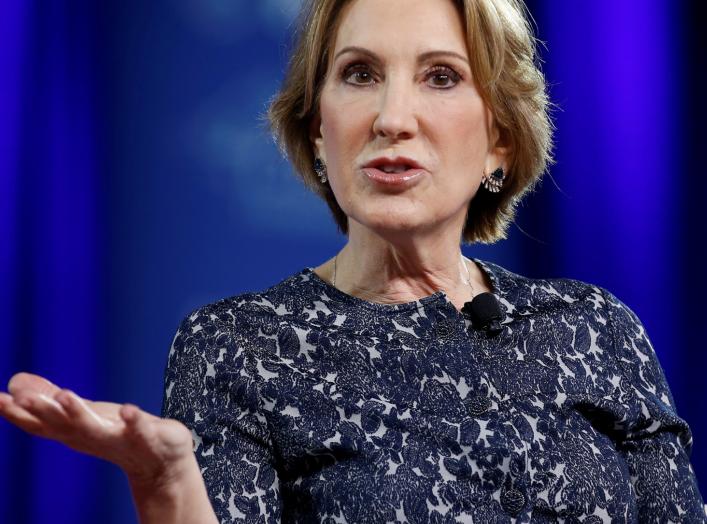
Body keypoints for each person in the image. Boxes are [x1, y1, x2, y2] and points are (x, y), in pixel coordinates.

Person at [1, 0, 705, 522]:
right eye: (359, 74)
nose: (392, 117)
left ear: (499, 139)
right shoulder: (236, 348)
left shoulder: (593, 327)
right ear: (315, 129)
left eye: (439, 77)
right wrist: (166, 486)